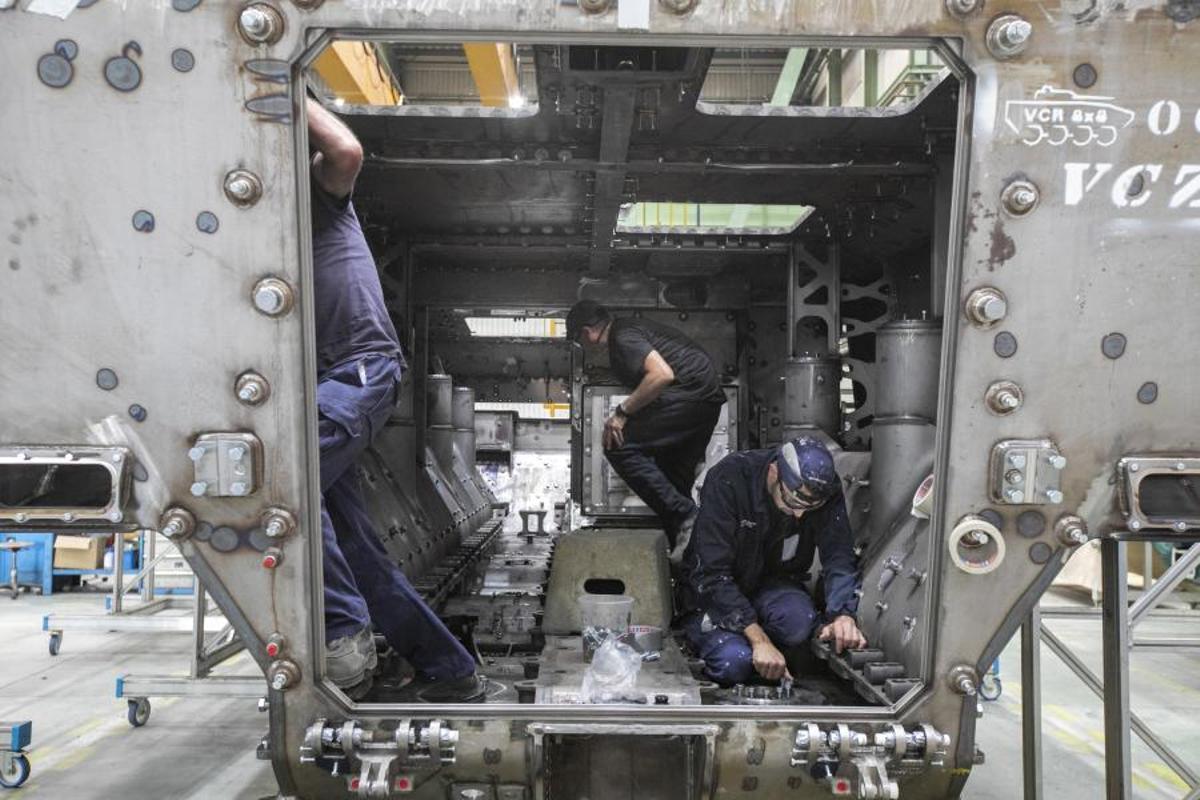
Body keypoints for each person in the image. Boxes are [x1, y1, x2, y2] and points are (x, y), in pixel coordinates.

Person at [308, 98, 482, 701]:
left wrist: (280, 83)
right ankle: (448, 669)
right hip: (335, 382)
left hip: (355, 373)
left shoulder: (319, 200)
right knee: (353, 542)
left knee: (285, 486)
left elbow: (347, 152)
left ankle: (342, 630)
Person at [677, 436, 866, 686]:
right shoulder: (729, 478)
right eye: (793, 502)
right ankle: (738, 644)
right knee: (733, 662)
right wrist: (760, 641)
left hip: (772, 583)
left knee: (798, 622)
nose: (799, 514)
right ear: (774, 472)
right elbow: (711, 574)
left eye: (809, 508)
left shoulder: (824, 490)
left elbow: (838, 555)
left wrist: (842, 615)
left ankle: (768, 652)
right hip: (715, 593)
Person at [565, 300, 725, 556]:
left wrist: (621, 413)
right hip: (705, 402)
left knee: (618, 445)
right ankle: (689, 566)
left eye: (578, 341)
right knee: (675, 484)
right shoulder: (630, 332)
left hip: (688, 395)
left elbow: (661, 375)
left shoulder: (623, 336)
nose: (583, 346)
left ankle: (686, 515)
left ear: (586, 332)